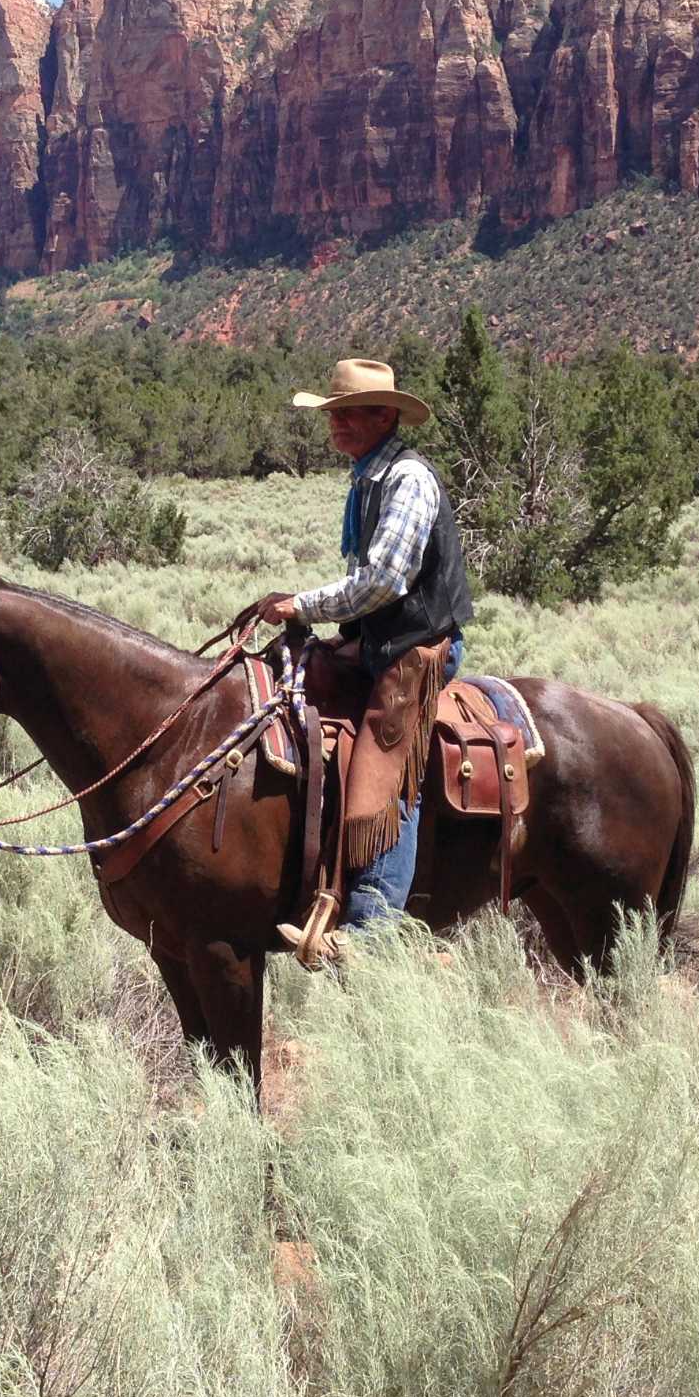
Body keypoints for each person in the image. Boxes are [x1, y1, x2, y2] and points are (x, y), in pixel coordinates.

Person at [258, 358, 474, 957]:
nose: (338, 425)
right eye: (333, 414)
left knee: (386, 761)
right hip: (380, 639)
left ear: (385, 415)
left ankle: (373, 928)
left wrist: (301, 605)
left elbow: (383, 580)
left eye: (349, 414)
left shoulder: (408, 480)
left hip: (417, 648)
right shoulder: (367, 478)